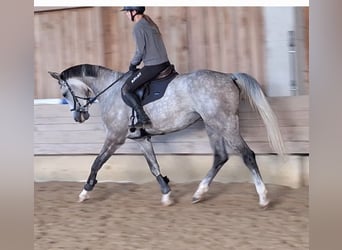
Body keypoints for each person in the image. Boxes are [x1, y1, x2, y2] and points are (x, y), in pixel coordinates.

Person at [121, 6, 171, 128]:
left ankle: (143, 118)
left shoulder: (138, 27)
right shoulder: (150, 23)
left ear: (134, 12)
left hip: (153, 66)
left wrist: (133, 64)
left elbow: (140, 51)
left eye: (127, 12)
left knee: (126, 89)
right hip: (165, 63)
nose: (126, 14)